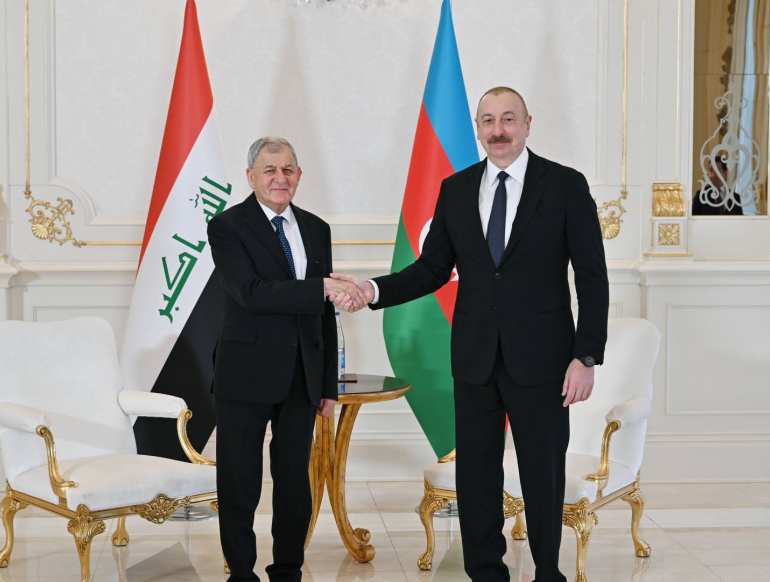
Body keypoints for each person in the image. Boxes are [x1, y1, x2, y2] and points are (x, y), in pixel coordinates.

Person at [332, 87, 609, 582]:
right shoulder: (456, 189)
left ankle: (548, 572)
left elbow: (592, 277)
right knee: (476, 476)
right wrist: (372, 289)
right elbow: (432, 269)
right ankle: (485, 572)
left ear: (527, 123)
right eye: (488, 120)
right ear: (478, 129)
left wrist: (585, 357)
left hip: (544, 361)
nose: (498, 130)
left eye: (508, 119)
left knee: (542, 474)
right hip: (475, 358)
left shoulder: (565, 185)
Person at [207, 136, 367, 582]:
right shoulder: (227, 226)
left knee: (296, 483)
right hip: (244, 373)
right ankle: (241, 573)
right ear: (251, 177)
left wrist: (327, 383)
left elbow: (324, 314)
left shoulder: (316, 228)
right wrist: (320, 287)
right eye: (270, 170)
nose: (280, 178)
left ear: (299, 175)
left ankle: (288, 571)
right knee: (240, 482)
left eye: (288, 170)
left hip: (302, 376)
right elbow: (251, 292)